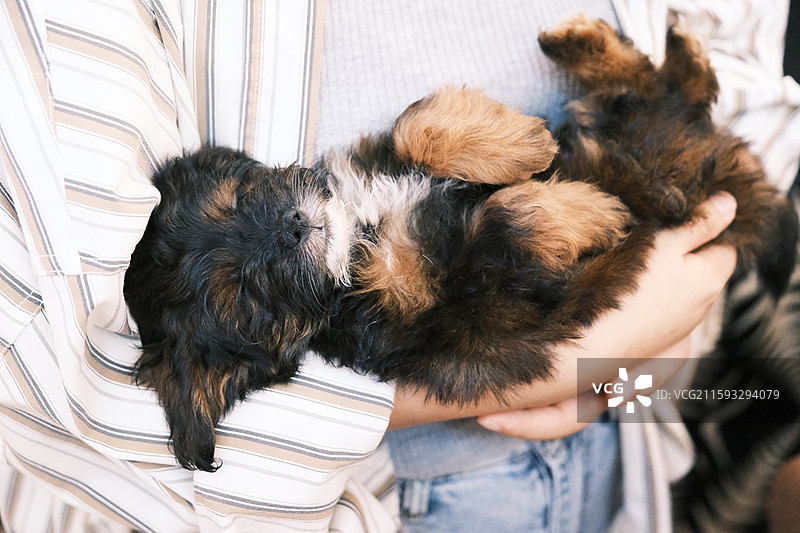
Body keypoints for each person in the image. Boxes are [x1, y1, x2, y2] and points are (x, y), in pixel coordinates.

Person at [0, 2, 795, 533]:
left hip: (636, 427)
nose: (284, 221)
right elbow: (56, 355)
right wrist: (527, 367)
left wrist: (660, 347)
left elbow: (745, 58)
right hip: (401, 493)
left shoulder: (349, 190)